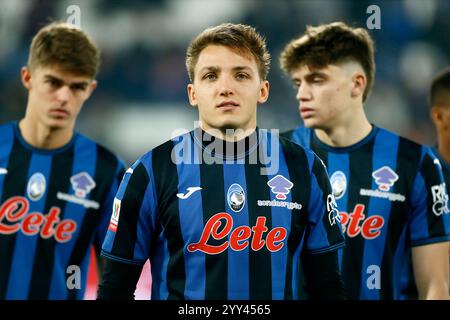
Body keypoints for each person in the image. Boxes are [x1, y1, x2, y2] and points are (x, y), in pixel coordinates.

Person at [98, 23, 345, 300]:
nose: (226, 88)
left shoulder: (305, 168)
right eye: (211, 76)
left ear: (263, 90)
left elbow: (326, 286)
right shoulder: (151, 171)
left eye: (240, 75)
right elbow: (115, 288)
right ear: (193, 93)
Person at [279, 21, 450, 300]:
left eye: (317, 80)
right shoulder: (276, 157)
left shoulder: (415, 163)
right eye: (299, 83)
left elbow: (435, 286)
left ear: (357, 84)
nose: (302, 94)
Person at [0, 22, 125, 300]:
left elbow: (118, 271)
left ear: (90, 89)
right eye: (54, 83)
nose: (64, 97)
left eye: (77, 86)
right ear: (28, 77)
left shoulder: (105, 170)